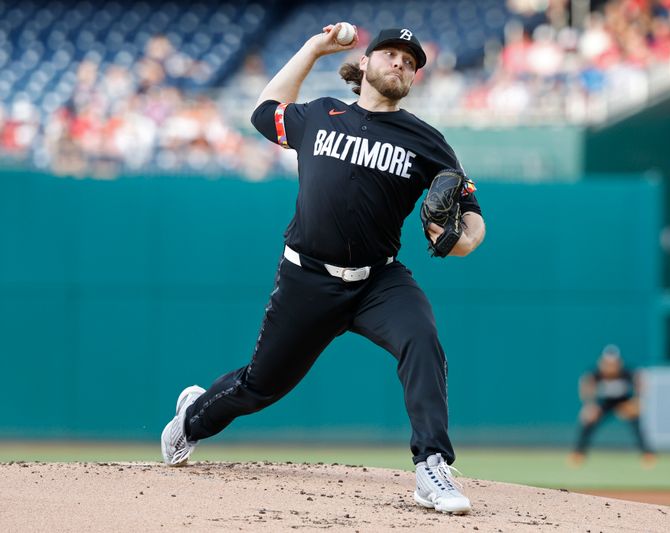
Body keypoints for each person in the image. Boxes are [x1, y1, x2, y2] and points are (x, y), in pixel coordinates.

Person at [160, 24, 485, 516]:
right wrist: (313, 48)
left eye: (410, 60)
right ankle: (190, 421)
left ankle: (432, 466)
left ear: (414, 76)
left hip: (379, 280)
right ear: (369, 63)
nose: (400, 62)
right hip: (306, 278)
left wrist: (457, 241)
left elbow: (474, 221)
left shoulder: (428, 142)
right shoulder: (321, 114)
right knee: (259, 386)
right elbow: (263, 112)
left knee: (422, 339)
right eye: (391, 53)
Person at [569, 345, 655, 466]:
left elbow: (640, 384)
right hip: (605, 402)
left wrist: (636, 401)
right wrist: (589, 405)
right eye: (608, 363)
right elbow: (586, 386)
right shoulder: (596, 373)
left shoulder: (627, 372)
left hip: (624, 401)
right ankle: (578, 453)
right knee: (588, 420)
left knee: (636, 423)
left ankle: (647, 453)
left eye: (613, 363)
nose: (610, 366)